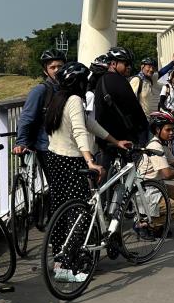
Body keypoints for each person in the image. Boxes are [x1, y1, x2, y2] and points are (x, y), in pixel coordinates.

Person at [44, 62, 129, 282]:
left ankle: (59, 260)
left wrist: (114, 141)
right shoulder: (73, 100)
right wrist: (90, 161)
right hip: (71, 161)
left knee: (62, 210)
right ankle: (68, 265)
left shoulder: (59, 98)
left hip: (55, 158)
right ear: (79, 82)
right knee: (80, 213)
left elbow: (89, 123)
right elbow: (81, 131)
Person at [13, 48, 64, 170]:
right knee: (56, 186)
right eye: (53, 67)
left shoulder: (65, 89)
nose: (57, 70)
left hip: (64, 145)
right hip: (46, 146)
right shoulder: (40, 91)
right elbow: (26, 117)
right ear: (45, 71)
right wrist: (21, 142)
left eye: (60, 66)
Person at [93, 47, 149, 152]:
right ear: (113, 64)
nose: (129, 67)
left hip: (104, 137)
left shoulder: (101, 80)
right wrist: (144, 129)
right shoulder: (120, 81)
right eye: (126, 64)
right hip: (122, 139)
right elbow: (135, 109)